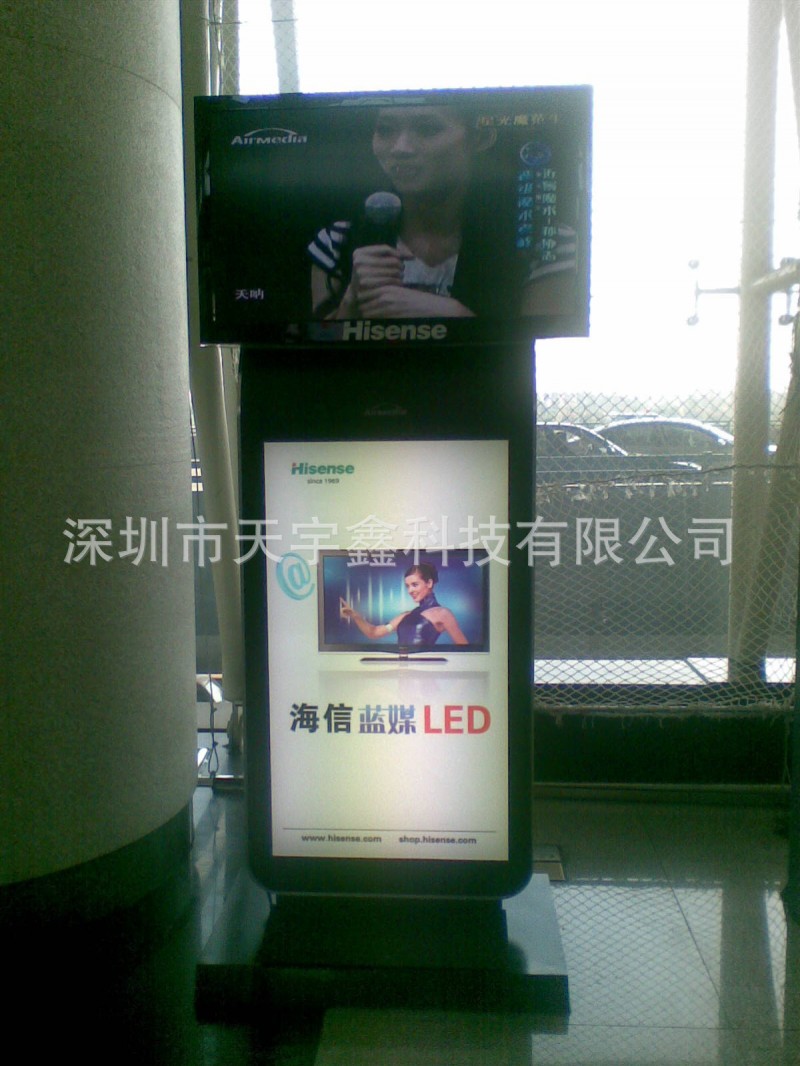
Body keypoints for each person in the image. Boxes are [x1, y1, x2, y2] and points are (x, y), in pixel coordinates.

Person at [308, 104, 576, 321]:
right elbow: (317, 358)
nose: (400, 148)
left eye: (428, 129)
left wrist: (457, 318)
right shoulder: (337, 240)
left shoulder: (546, 241)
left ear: (480, 138)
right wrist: (352, 302)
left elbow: (549, 354)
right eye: (385, 130)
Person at [339, 561, 468, 647]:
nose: (410, 590)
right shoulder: (405, 616)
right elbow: (374, 632)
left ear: (429, 583)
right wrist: (355, 615)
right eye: (407, 586)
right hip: (401, 670)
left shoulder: (442, 613)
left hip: (425, 674)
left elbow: (466, 651)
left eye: (415, 585)